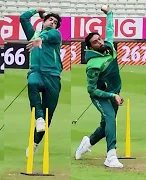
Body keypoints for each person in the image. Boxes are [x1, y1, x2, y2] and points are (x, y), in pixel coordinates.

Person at [74, 6, 124, 168]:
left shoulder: (108, 45)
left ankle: (87, 143)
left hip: (114, 92)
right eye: (95, 42)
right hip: (100, 95)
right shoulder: (93, 65)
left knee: (105, 127)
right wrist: (111, 96)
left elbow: (109, 28)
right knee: (110, 118)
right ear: (90, 47)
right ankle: (111, 155)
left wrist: (109, 13)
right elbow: (91, 90)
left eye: (99, 39)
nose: (100, 42)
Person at [19, 8, 63, 157]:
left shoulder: (56, 34)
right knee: (32, 83)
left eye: (55, 22)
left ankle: (35, 143)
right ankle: (38, 117)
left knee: (48, 117)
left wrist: (41, 39)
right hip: (36, 72)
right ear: (43, 21)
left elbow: (51, 35)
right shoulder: (33, 35)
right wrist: (37, 10)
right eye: (50, 19)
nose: (53, 22)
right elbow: (23, 18)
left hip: (53, 76)